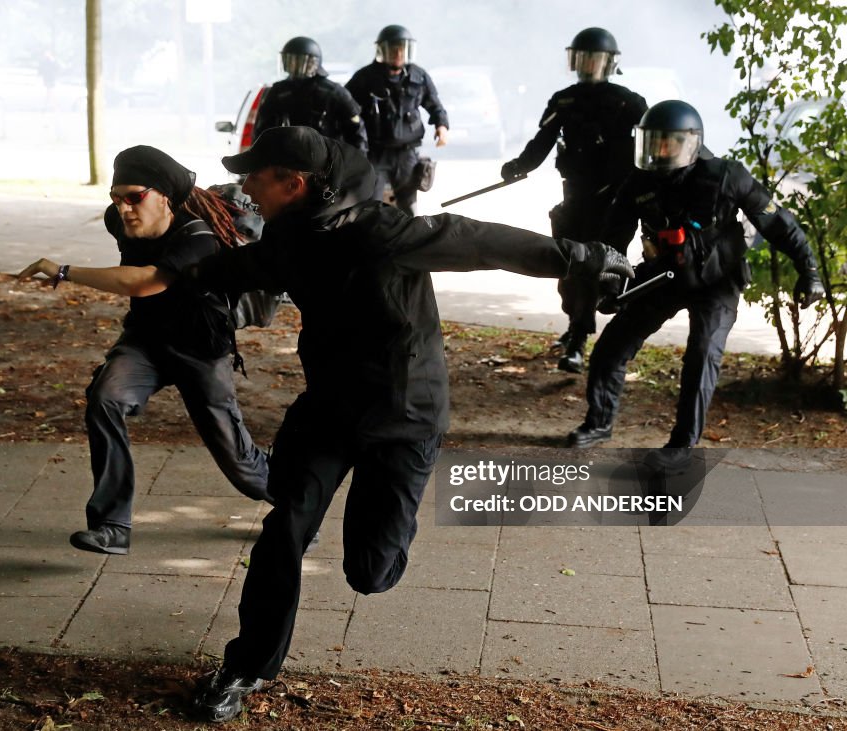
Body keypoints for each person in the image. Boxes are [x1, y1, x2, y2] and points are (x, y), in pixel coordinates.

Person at [131, 126, 630, 722]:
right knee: (283, 531)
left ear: (293, 184)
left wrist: (580, 256)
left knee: (370, 573)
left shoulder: (382, 232)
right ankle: (248, 665)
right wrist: (162, 260)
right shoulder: (291, 235)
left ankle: (391, 528)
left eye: (255, 177)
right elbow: (222, 272)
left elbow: (477, 241)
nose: (246, 186)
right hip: (328, 411)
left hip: (404, 417)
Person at [16, 146, 271, 555]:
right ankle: (111, 526)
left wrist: (63, 270)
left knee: (238, 461)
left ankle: (297, 506)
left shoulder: (197, 236)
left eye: (134, 197)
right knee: (105, 399)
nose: (124, 208)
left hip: (200, 350)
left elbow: (144, 282)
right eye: (116, 198)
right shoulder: (118, 221)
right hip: (145, 342)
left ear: (164, 197)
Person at [567, 101, 824, 471]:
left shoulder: (725, 176)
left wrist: (809, 271)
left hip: (717, 281)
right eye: (652, 143)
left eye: (668, 144)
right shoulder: (638, 182)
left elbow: (778, 223)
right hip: (663, 275)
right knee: (612, 345)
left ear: (691, 144)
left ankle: (681, 446)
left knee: (702, 353)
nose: (659, 152)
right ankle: (598, 423)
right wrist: (612, 287)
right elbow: (612, 242)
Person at [499, 27, 647, 372]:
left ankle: (581, 340)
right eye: (581, 59)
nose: (587, 66)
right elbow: (543, 140)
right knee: (567, 271)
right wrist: (519, 166)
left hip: (614, 205)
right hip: (575, 199)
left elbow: (651, 146)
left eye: (594, 59)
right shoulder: (565, 99)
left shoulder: (630, 103)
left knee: (595, 271)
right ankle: (575, 327)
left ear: (609, 63)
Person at [346, 24, 449, 216]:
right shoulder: (365, 78)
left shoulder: (418, 76)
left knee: (408, 205)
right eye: (393, 48)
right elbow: (345, 107)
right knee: (370, 204)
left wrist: (441, 126)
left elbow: (435, 105)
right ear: (382, 50)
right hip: (376, 153)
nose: (398, 53)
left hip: (406, 153)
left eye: (402, 48)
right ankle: (371, 243)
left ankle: (409, 243)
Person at [253, 36, 367, 151]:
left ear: (313, 63)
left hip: (327, 161)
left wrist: (357, 164)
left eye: (298, 61)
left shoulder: (334, 93)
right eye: (290, 60)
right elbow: (262, 129)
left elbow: (356, 131)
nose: (293, 65)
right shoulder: (278, 91)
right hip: (287, 159)